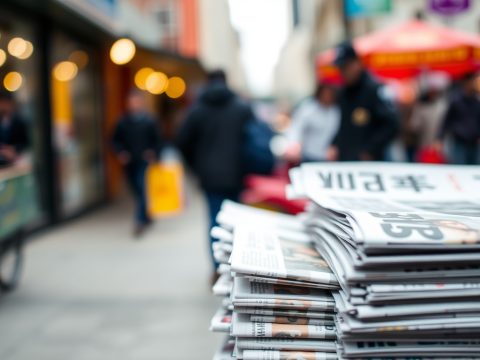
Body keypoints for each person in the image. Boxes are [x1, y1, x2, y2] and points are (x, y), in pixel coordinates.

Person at [176, 69, 253, 274]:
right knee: (237, 222)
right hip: (237, 175)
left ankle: (218, 268)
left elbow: (182, 142)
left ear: (207, 82)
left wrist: (196, 168)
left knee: (214, 222)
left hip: (209, 177)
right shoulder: (241, 108)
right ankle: (237, 267)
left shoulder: (197, 110)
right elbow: (255, 140)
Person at [326, 42, 398, 161]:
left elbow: (391, 124)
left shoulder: (375, 89)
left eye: (345, 67)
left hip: (370, 164)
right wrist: (334, 145)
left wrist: (370, 150)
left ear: (357, 64)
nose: (342, 72)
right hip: (346, 159)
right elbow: (345, 125)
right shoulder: (344, 92)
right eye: (340, 68)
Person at [112, 90, 162, 236]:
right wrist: (120, 152)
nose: (134, 104)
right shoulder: (122, 122)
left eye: (137, 101)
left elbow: (158, 140)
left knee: (142, 188)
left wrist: (153, 153)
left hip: (144, 162)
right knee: (136, 189)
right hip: (130, 163)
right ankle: (147, 215)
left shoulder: (149, 121)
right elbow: (115, 140)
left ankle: (139, 221)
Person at [285, 83, 340, 162]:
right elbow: (296, 128)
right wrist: (294, 145)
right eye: (325, 93)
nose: (327, 96)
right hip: (308, 155)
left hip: (326, 158)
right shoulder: (308, 109)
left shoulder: (336, 111)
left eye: (330, 93)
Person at [435, 72, 480, 165]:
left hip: (474, 142)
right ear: (465, 82)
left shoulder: (477, 101)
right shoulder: (456, 100)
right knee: (459, 167)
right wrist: (439, 138)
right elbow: (446, 121)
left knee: (474, 169)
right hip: (459, 141)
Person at [0, 91, 29, 167]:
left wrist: (14, 149)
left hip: (17, 159)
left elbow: (25, 142)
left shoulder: (20, 121)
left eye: (4, 103)